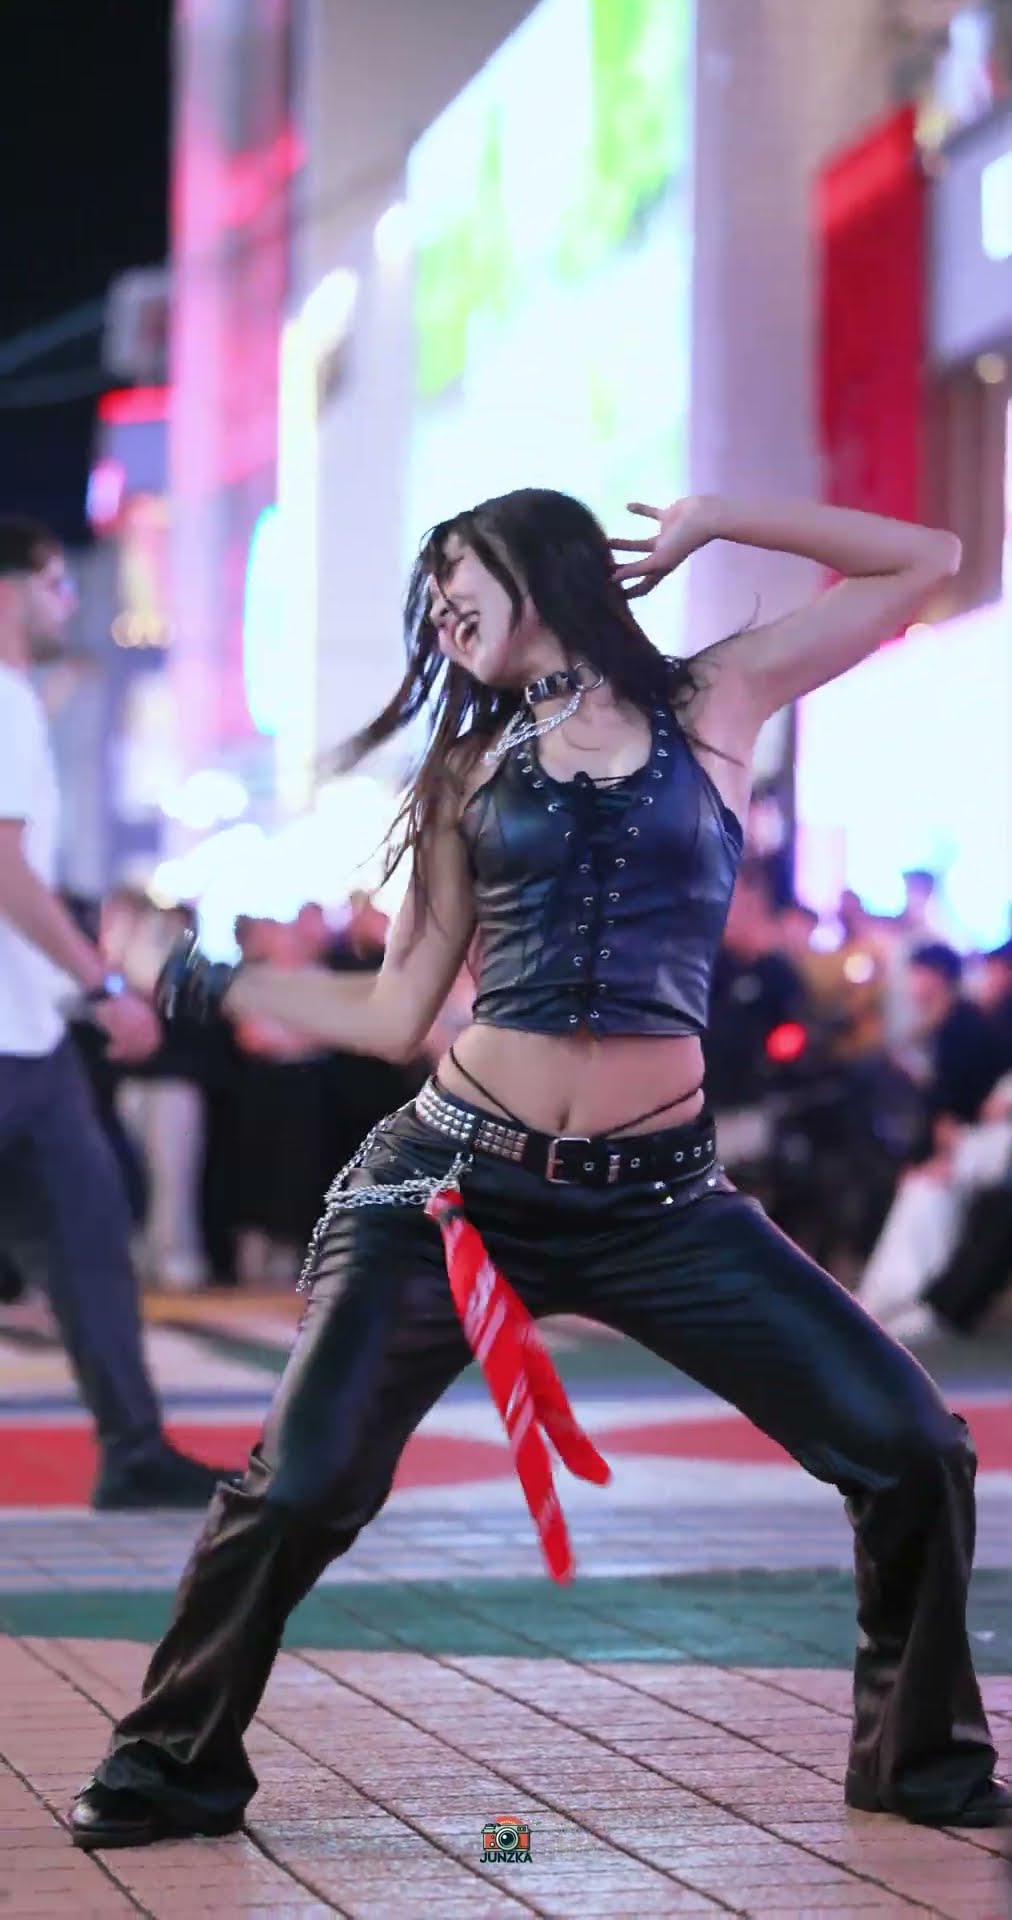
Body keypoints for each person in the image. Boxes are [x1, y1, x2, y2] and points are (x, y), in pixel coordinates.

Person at [72, 487, 1008, 1850]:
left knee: (911, 1444)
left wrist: (716, 519)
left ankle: (920, 1763)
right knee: (304, 1482)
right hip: (450, 1189)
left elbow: (928, 553)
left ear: (542, 565)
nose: (440, 606)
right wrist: (206, 981)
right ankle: (171, 1762)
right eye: (429, 592)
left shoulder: (714, 703)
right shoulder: (467, 770)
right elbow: (396, 1013)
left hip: (664, 1206)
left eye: (459, 572)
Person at [0, 518, 233, 1508]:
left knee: (91, 1227)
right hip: (16, 1041)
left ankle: (134, 1449)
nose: (69, 601)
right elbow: (6, 869)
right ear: (15, 587)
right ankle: (134, 1446)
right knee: (89, 1225)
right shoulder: (5, 698)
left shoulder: (21, 701)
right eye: (58, 583)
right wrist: (101, 986)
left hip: (30, 1038)